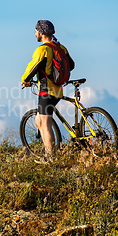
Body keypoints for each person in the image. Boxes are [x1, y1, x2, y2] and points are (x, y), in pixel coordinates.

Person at [21, 20, 75, 163]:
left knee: (45, 124)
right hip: (58, 89)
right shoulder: (60, 47)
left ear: (41, 33)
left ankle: (50, 158)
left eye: (36, 31)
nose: (34, 34)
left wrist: (24, 80)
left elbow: (32, 68)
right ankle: (50, 153)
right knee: (39, 120)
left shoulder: (42, 50)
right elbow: (72, 65)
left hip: (46, 90)